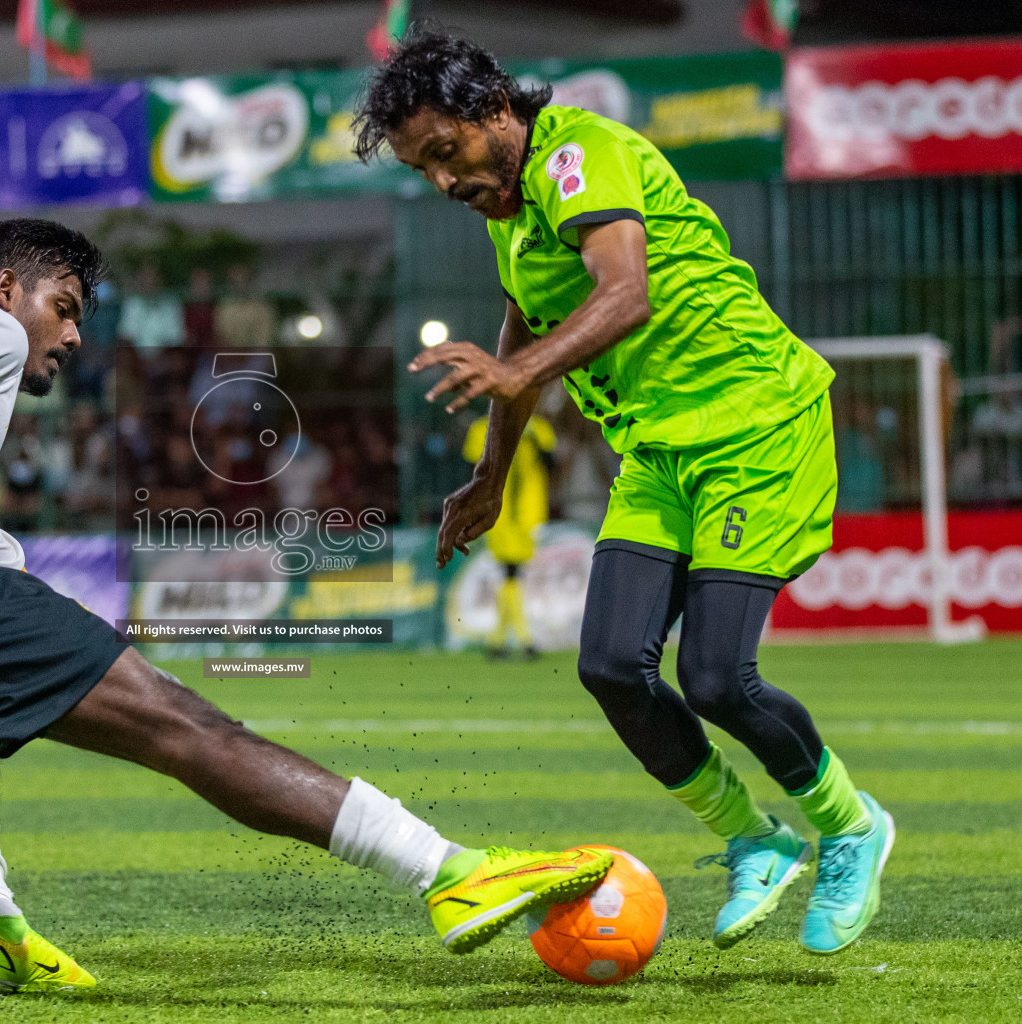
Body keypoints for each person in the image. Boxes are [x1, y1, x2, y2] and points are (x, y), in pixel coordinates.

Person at [0, 218, 613, 994]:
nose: (73, 334)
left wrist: (29, 598)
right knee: (185, 726)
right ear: (8, 289)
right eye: (65, 305)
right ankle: (446, 872)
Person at [356, 29, 893, 956]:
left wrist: (508, 370)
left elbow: (626, 293)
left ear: (494, 110)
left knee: (718, 677)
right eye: (422, 169)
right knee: (611, 666)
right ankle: (752, 838)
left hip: (753, 423)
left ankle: (850, 829)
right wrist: (489, 476)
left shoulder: (579, 152)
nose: (443, 182)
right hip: (656, 452)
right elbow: (528, 321)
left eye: (445, 153)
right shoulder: (512, 214)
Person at [460, 410, 555, 659]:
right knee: (510, 571)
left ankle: (499, 640)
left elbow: (551, 465)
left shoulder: (536, 428)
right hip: (497, 511)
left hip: (528, 512)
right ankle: (523, 640)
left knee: (511, 573)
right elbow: (472, 472)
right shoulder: (482, 428)